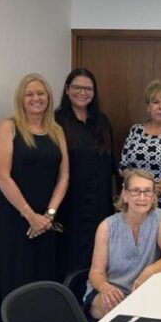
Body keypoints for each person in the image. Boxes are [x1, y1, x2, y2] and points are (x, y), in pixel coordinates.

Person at [0, 74, 69, 322]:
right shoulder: (8, 128)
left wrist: (48, 215)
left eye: (41, 94)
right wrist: (29, 215)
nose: (36, 99)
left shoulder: (56, 131)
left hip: (46, 222)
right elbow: (1, 176)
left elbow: (64, 176)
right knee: (15, 281)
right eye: (30, 94)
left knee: (43, 282)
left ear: (49, 98)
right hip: (15, 220)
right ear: (21, 98)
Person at [84, 169, 161, 320]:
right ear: (125, 194)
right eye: (135, 191)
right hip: (110, 289)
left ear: (153, 196)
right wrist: (105, 288)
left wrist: (149, 271)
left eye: (147, 192)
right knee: (116, 311)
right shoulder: (107, 226)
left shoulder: (159, 218)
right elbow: (96, 273)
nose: (142, 197)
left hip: (142, 291)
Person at [55, 68, 116, 280]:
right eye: (77, 87)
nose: (83, 92)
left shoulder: (102, 121)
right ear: (67, 90)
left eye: (88, 88)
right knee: (70, 260)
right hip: (69, 206)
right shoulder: (56, 121)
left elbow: (112, 164)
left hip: (100, 205)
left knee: (99, 258)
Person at [120, 79, 161, 238]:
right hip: (134, 198)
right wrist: (137, 191)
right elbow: (123, 165)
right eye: (156, 102)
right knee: (134, 242)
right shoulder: (136, 131)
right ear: (148, 106)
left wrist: (149, 193)